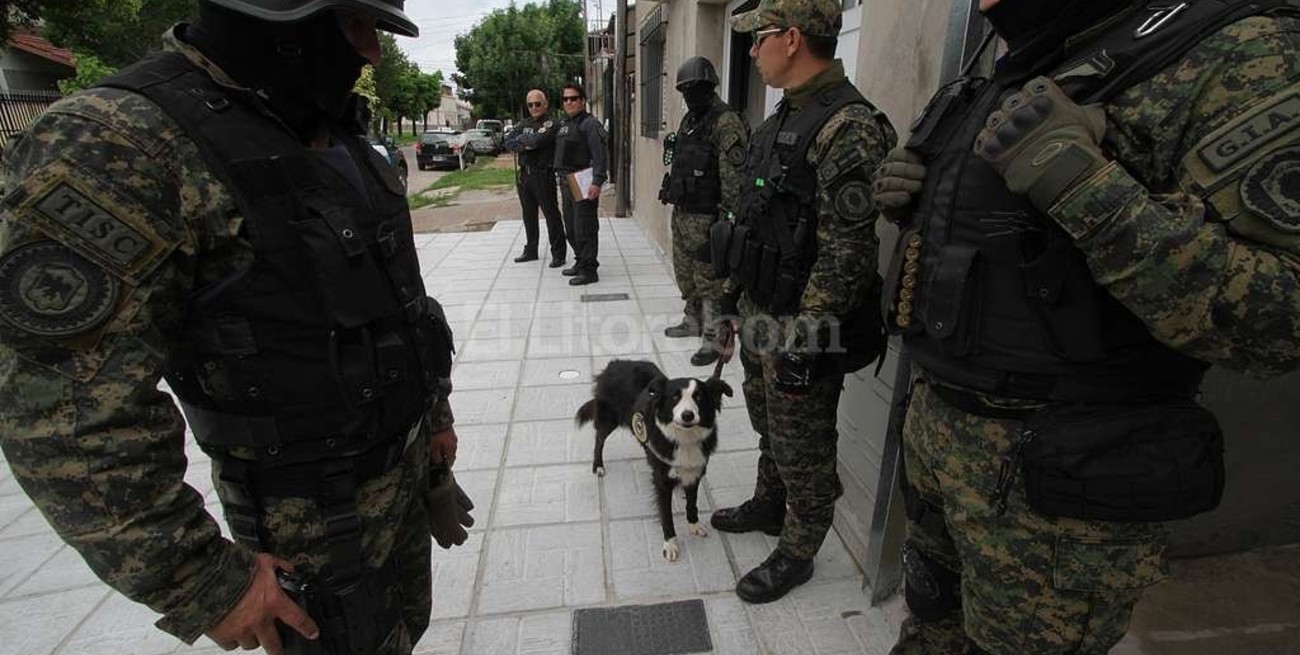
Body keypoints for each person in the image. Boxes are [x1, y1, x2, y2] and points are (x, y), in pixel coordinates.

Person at [0, 1, 476, 654]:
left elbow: (402, 307)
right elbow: (59, 407)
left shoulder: (334, 133)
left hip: (400, 485)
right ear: (280, 22)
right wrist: (199, 580)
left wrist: (434, 433)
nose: (370, 53)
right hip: (309, 525)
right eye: (358, 26)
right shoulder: (121, 138)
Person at [870, 0, 1300, 653]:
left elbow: (1280, 319)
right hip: (940, 436)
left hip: (1060, 481)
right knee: (931, 608)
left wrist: (1082, 185)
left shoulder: (1230, 46)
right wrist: (919, 204)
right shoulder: (999, 69)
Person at [709, 0, 896, 604]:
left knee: (803, 443)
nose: (752, 50)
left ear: (792, 39)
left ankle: (800, 547)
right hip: (764, 309)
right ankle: (770, 503)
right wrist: (730, 303)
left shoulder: (849, 126)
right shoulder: (777, 121)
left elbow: (847, 253)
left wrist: (805, 339)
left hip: (803, 322)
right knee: (768, 423)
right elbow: (752, 223)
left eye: (759, 37)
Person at [659, 56, 749, 367]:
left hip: (708, 217)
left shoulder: (726, 122)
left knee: (710, 281)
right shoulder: (690, 120)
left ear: (708, 87)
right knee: (686, 274)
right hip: (683, 212)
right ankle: (692, 319)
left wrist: (727, 223)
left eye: (693, 88)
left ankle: (714, 337)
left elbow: (733, 180)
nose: (688, 95)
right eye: (684, 90)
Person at [503, 89, 567, 267]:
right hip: (524, 175)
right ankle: (531, 250)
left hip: (542, 174)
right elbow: (508, 141)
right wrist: (527, 142)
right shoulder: (524, 122)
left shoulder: (552, 123)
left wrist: (524, 141)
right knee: (528, 215)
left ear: (545, 104)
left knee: (551, 215)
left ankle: (558, 253)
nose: (534, 107)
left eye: (537, 104)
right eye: (530, 104)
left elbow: (537, 142)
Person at [553, 84, 607, 286]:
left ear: (583, 101)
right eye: (566, 99)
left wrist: (597, 181)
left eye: (574, 98)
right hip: (567, 180)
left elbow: (600, 155)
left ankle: (589, 270)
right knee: (571, 229)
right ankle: (580, 262)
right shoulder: (566, 123)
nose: (569, 102)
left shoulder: (590, 124)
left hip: (583, 179)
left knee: (585, 227)